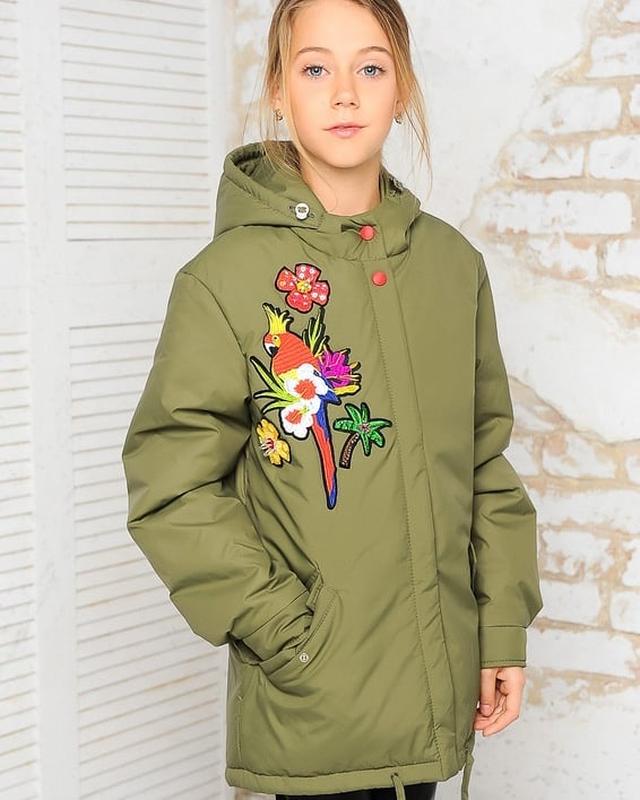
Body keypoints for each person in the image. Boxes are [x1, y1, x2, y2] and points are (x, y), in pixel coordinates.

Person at [121, 1, 544, 799]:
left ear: (402, 88)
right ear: (278, 90)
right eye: (315, 67)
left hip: (436, 698)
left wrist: (500, 629)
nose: (344, 92)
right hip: (314, 706)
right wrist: (287, 633)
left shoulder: (452, 267)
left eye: (371, 67)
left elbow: (483, 464)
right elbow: (171, 487)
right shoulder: (224, 282)